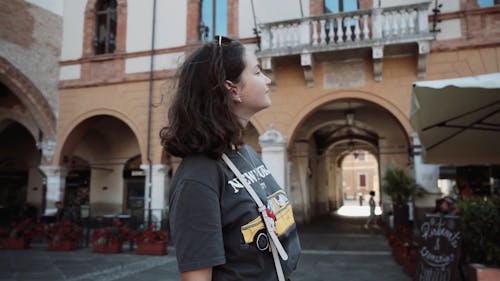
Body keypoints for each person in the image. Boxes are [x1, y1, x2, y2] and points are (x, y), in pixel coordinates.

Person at [160, 36, 301, 281]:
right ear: (232, 89)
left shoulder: (244, 153)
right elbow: (197, 278)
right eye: (257, 72)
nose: (267, 79)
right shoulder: (197, 178)